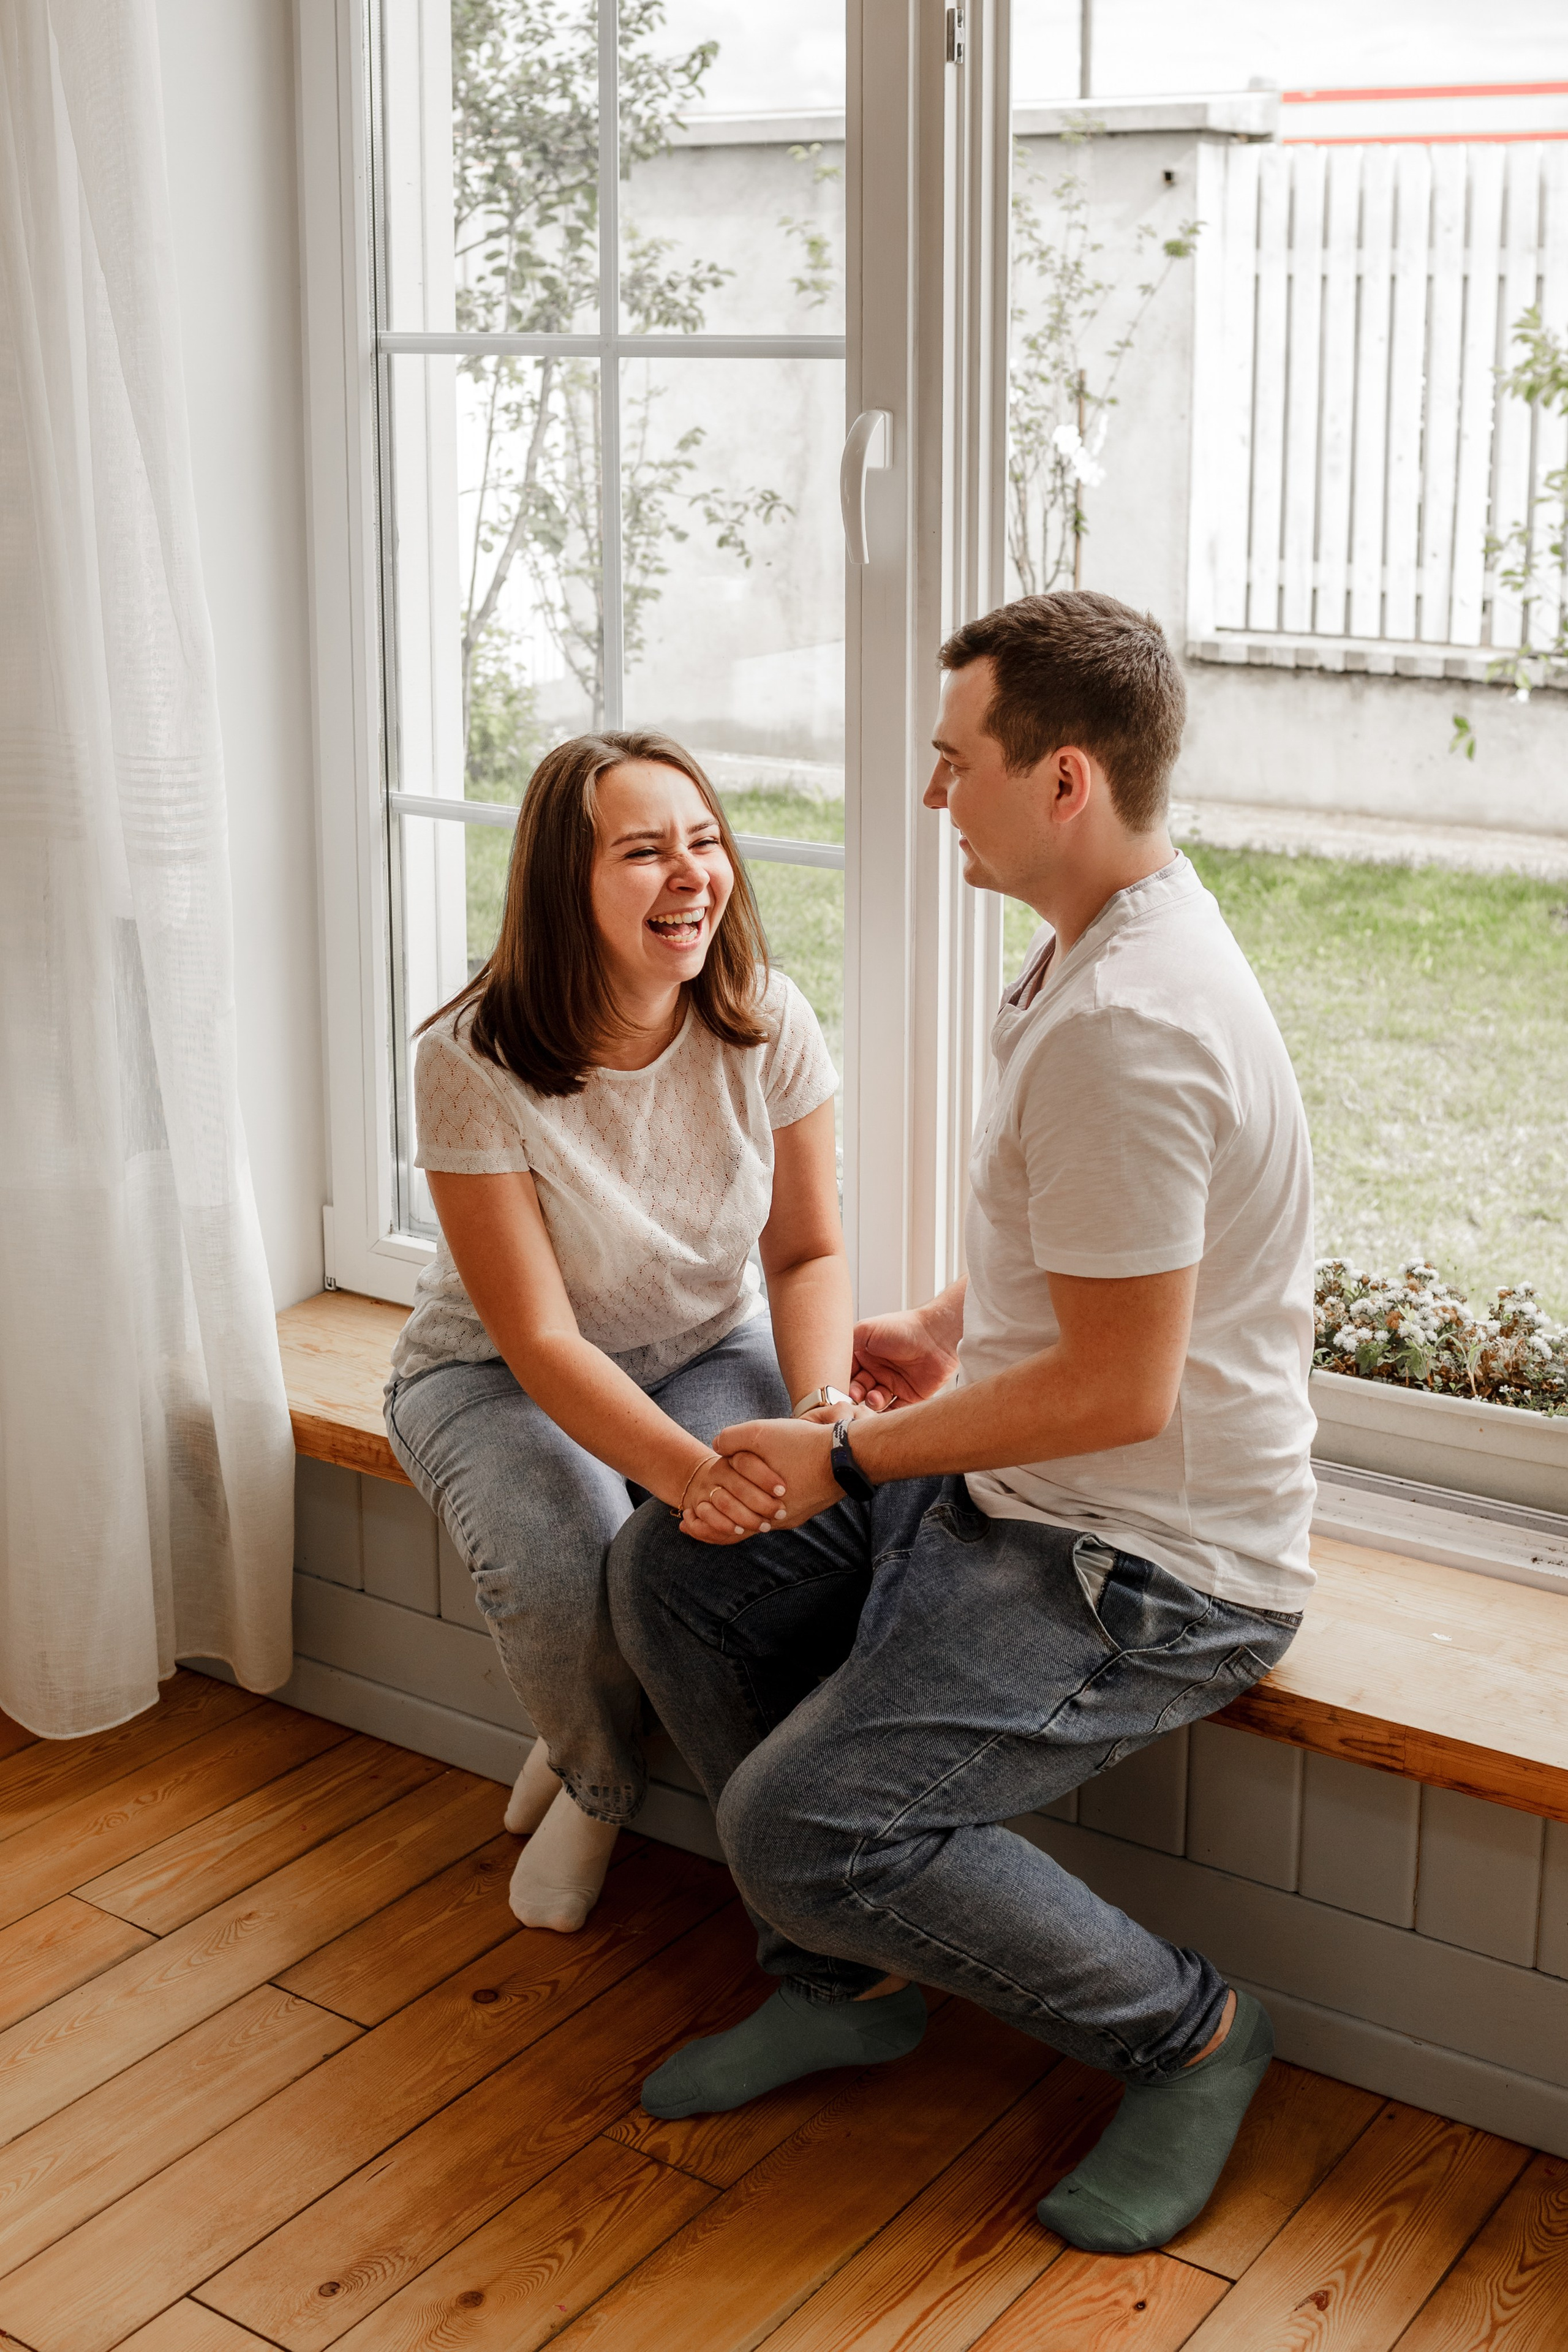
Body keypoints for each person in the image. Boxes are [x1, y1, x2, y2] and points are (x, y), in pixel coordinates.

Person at [608, 592, 1317, 2257]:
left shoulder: (1136, 1028)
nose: (935, 800)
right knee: (676, 1570)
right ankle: (843, 1980)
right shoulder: (1088, 942)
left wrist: (842, 1451)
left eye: (955, 765)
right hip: (1028, 1479)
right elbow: (1098, 1277)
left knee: (797, 1823)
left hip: (1149, 1562)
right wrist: (936, 1334)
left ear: (1063, 778)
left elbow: (1122, 1390)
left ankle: (1192, 2037)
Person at [383, 729, 861, 1934]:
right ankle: (596, 1778)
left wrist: (816, 1415)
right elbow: (541, 1341)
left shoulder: (766, 1019)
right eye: (645, 852)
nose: (692, 874)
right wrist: (687, 1474)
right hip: (489, 1371)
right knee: (556, 1550)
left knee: (733, 1549)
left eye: (704, 842)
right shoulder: (471, 1057)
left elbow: (804, 1252)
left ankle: (584, 1734)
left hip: (699, 1346)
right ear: (567, 885)